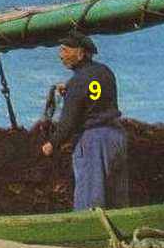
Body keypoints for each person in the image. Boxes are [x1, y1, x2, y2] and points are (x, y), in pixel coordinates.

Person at [41, 33, 129, 210]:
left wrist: (52, 143)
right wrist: (71, 89)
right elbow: (95, 96)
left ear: (80, 53)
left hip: (92, 140)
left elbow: (69, 121)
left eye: (65, 50)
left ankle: (88, 224)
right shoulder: (105, 72)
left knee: (89, 196)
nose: (61, 56)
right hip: (116, 136)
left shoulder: (77, 82)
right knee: (115, 195)